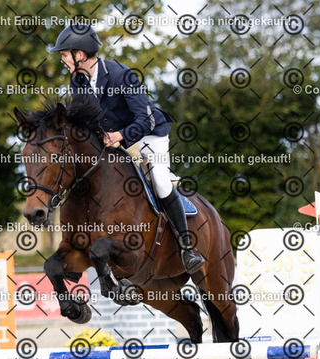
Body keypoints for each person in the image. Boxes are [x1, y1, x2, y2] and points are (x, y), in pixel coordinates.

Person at [49, 25, 205, 275]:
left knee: (160, 182)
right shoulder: (78, 81)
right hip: (111, 140)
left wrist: (120, 135)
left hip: (148, 136)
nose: (62, 60)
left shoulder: (122, 75)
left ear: (80, 54)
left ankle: (187, 248)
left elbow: (146, 120)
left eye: (64, 54)